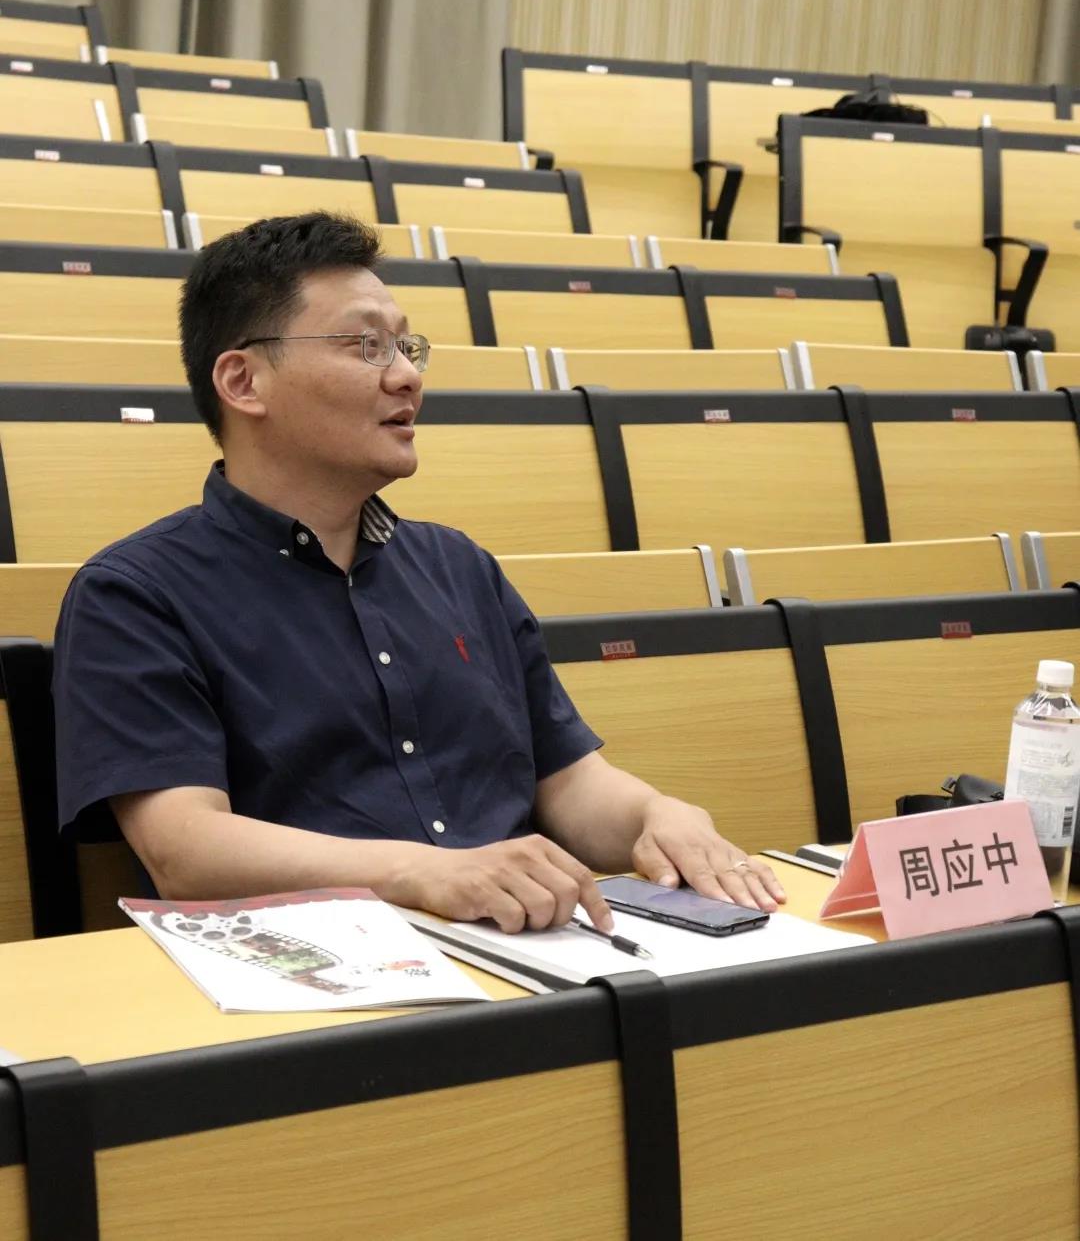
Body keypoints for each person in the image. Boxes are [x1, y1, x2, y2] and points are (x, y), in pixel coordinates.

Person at [53, 211, 785, 933]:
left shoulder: (459, 567)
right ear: (244, 381)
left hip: (522, 936)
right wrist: (423, 872)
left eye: (407, 348)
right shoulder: (134, 594)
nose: (407, 377)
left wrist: (654, 815)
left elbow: (568, 784)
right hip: (316, 963)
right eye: (367, 346)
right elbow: (186, 848)